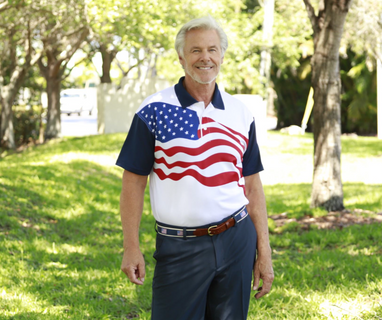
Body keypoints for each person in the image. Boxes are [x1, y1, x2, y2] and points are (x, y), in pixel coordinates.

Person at [116, 15, 274, 320]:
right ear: (181, 58)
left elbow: (253, 186)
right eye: (196, 50)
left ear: (222, 56)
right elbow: (132, 182)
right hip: (179, 247)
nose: (205, 58)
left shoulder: (241, 114)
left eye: (212, 50)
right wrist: (131, 246)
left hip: (236, 240)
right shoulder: (154, 110)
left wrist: (263, 251)